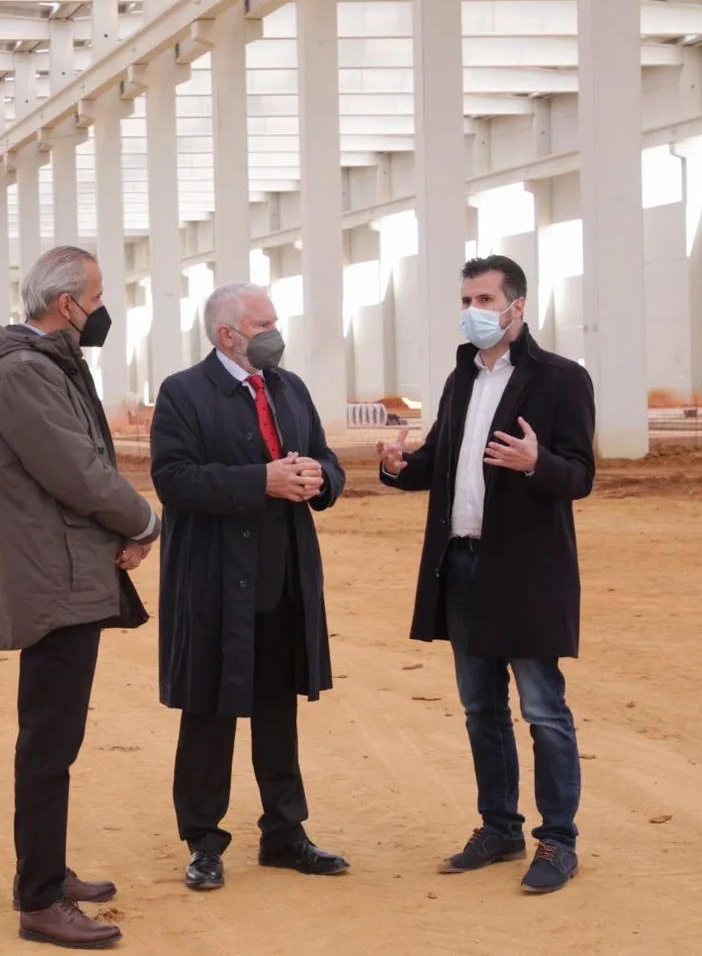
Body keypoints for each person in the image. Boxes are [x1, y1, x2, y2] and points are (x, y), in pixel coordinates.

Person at [0, 245, 160, 950]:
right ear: (64, 302)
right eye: (96, 294)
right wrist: (142, 520)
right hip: (55, 577)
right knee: (49, 740)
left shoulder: (42, 367)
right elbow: (77, 469)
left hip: (70, 566)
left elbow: (82, 462)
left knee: (55, 737)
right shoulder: (22, 373)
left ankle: (42, 873)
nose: (101, 308)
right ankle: (41, 900)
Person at [377, 255, 595, 895]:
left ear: (516, 307)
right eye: (467, 297)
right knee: (480, 707)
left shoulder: (561, 379)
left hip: (525, 570)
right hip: (463, 564)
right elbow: (442, 459)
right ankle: (498, 826)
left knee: (542, 707)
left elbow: (579, 475)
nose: (473, 309)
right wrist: (399, 466)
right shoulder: (462, 378)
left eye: (484, 298)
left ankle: (557, 840)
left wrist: (536, 463)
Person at [149, 282, 350, 892]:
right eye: (263, 323)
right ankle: (203, 844)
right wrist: (259, 480)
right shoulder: (183, 393)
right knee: (209, 712)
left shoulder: (290, 389)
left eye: (275, 321)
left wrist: (321, 476)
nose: (275, 332)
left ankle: (285, 835)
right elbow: (175, 480)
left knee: (277, 711)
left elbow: (324, 457)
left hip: (283, 579)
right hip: (215, 582)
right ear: (227, 335)